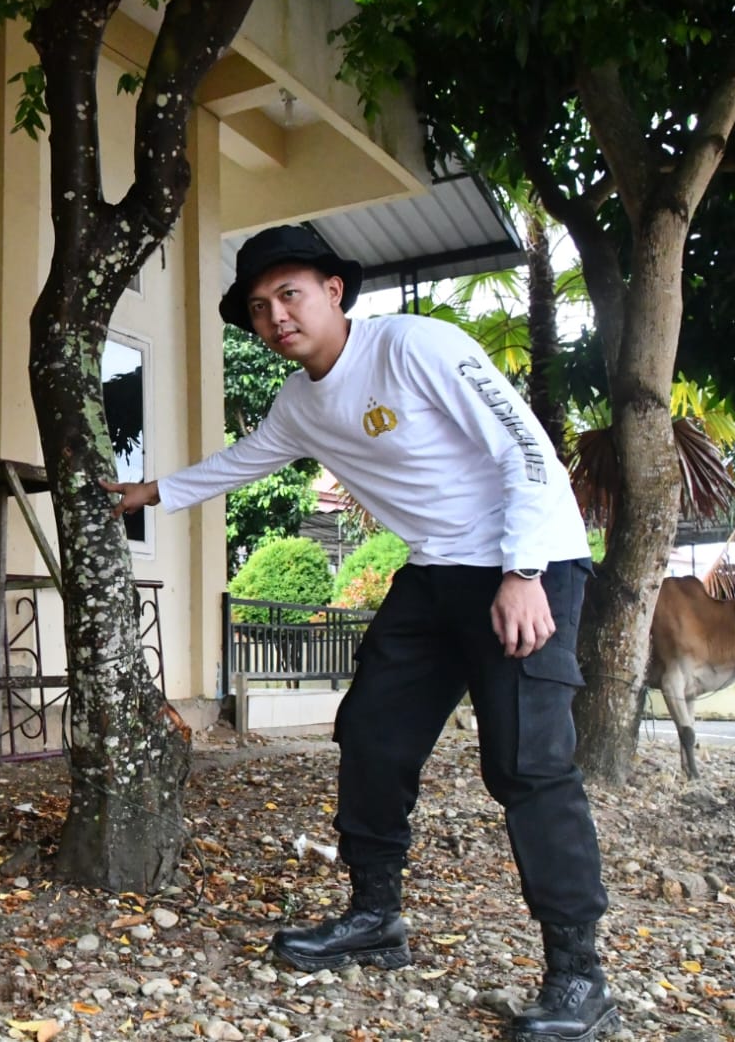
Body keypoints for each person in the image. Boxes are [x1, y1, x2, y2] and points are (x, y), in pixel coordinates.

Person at [101, 226, 617, 1042]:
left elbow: (526, 451)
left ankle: (578, 973)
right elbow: (244, 460)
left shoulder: (414, 346)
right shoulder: (299, 403)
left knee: (526, 763)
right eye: (258, 307)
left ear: (333, 291)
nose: (275, 317)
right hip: (435, 570)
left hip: (528, 560)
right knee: (371, 733)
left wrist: (522, 571)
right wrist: (147, 494)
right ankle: (375, 917)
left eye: (289, 294)